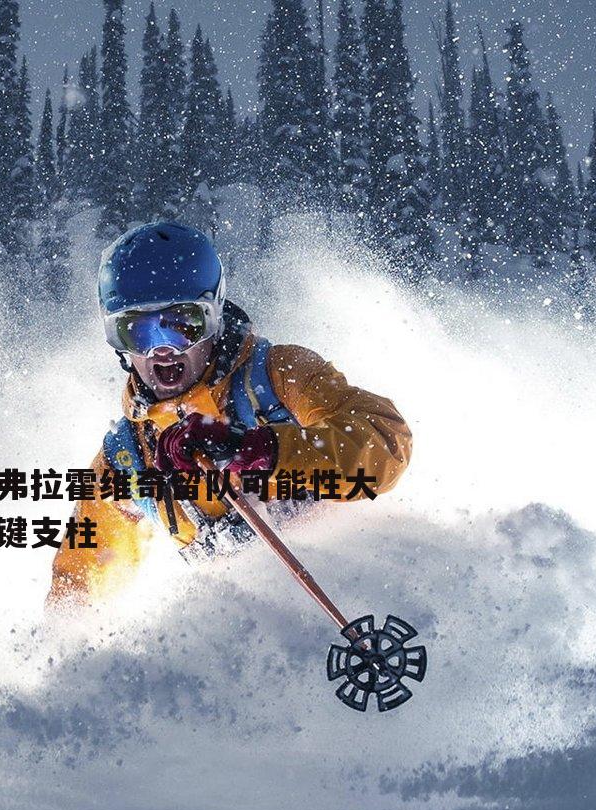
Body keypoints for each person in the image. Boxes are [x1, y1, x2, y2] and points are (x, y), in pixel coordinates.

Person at [47, 221, 412, 607]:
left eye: (182, 324)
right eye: (137, 331)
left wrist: (260, 449)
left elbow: (387, 444)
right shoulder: (127, 462)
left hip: (361, 603)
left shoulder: (277, 380)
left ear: (215, 316)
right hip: (261, 636)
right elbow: (77, 590)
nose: (161, 351)